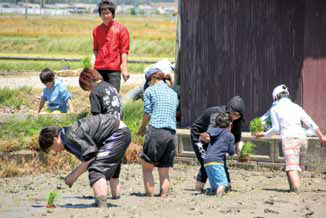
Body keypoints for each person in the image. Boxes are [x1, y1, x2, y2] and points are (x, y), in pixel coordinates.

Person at [38, 114, 131, 208]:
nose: (55, 152)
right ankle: (116, 198)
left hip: (117, 133)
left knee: (96, 169)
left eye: (51, 149)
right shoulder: (67, 134)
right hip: (119, 131)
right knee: (106, 163)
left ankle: (102, 207)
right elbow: (90, 156)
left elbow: (91, 157)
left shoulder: (69, 137)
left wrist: (73, 176)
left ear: (55, 139)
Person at [255, 84, 326, 193]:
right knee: (297, 166)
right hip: (302, 137)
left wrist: (263, 134)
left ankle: (295, 190)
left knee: (291, 167)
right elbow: (310, 122)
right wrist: (321, 136)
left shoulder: (275, 108)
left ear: (275, 97)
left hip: (289, 138)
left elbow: (276, 128)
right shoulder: (296, 106)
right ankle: (293, 187)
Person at [79, 68, 122, 199]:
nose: (88, 91)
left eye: (86, 88)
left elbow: (96, 118)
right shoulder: (111, 87)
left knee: (99, 166)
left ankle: (101, 195)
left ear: (87, 82)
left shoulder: (95, 93)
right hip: (120, 128)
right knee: (116, 166)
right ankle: (116, 195)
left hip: (106, 131)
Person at [137, 67, 178, 197]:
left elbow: (148, 113)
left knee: (147, 168)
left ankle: (150, 197)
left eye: (148, 82)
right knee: (164, 171)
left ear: (153, 79)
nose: (147, 84)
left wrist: (142, 127)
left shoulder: (150, 91)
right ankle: (164, 196)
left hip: (156, 131)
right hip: (171, 134)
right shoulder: (173, 93)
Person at [191, 96, 245, 192]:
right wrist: (206, 139)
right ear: (229, 110)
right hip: (200, 135)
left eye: (238, 115)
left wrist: (242, 153)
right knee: (206, 162)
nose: (235, 117)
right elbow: (209, 134)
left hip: (213, 137)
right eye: (234, 114)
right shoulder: (217, 114)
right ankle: (198, 189)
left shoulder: (237, 121)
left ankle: (226, 187)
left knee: (219, 161)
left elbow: (237, 139)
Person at [92, 0, 130, 93]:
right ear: (100, 14)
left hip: (114, 70)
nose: (105, 16)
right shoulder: (96, 30)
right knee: (98, 95)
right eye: (103, 13)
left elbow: (124, 51)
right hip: (99, 69)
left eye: (108, 13)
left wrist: (125, 69)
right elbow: (95, 50)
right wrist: (92, 67)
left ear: (112, 14)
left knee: (113, 97)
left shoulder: (121, 29)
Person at [204, 112, 235, 197]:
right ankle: (219, 196)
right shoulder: (230, 135)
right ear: (230, 124)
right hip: (217, 161)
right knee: (223, 184)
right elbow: (231, 152)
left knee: (214, 185)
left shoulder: (212, 131)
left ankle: (213, 191)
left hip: (206, 161)